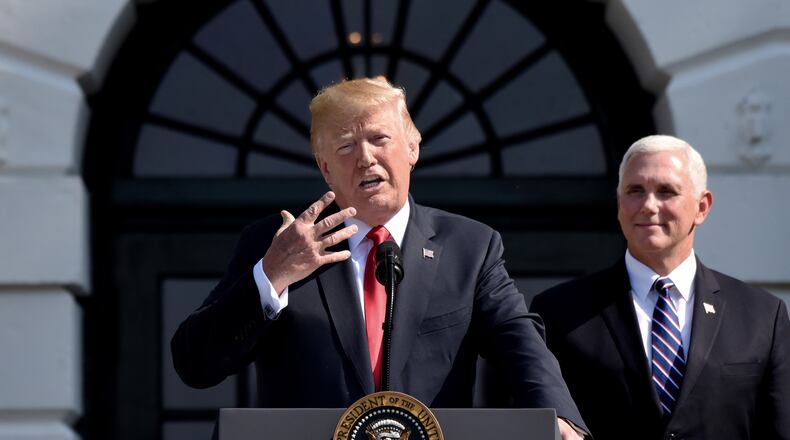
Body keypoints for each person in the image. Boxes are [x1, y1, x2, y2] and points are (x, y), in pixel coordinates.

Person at [171, 77, 588, 439]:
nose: (366, 157)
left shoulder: (470, 247)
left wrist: (561, 418)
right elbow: (195, 364)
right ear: (325, 168)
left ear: (412, 147)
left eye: (379, 139)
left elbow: (519, 342)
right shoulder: (277, 242)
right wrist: (272, 274)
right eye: (346, 145)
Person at [531, 134, 790, 440]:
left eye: (666, 191)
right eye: (635, 190)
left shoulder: (761, 316)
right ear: (618, 203)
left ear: (702, 207)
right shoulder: (559, 312)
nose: (648, 205)